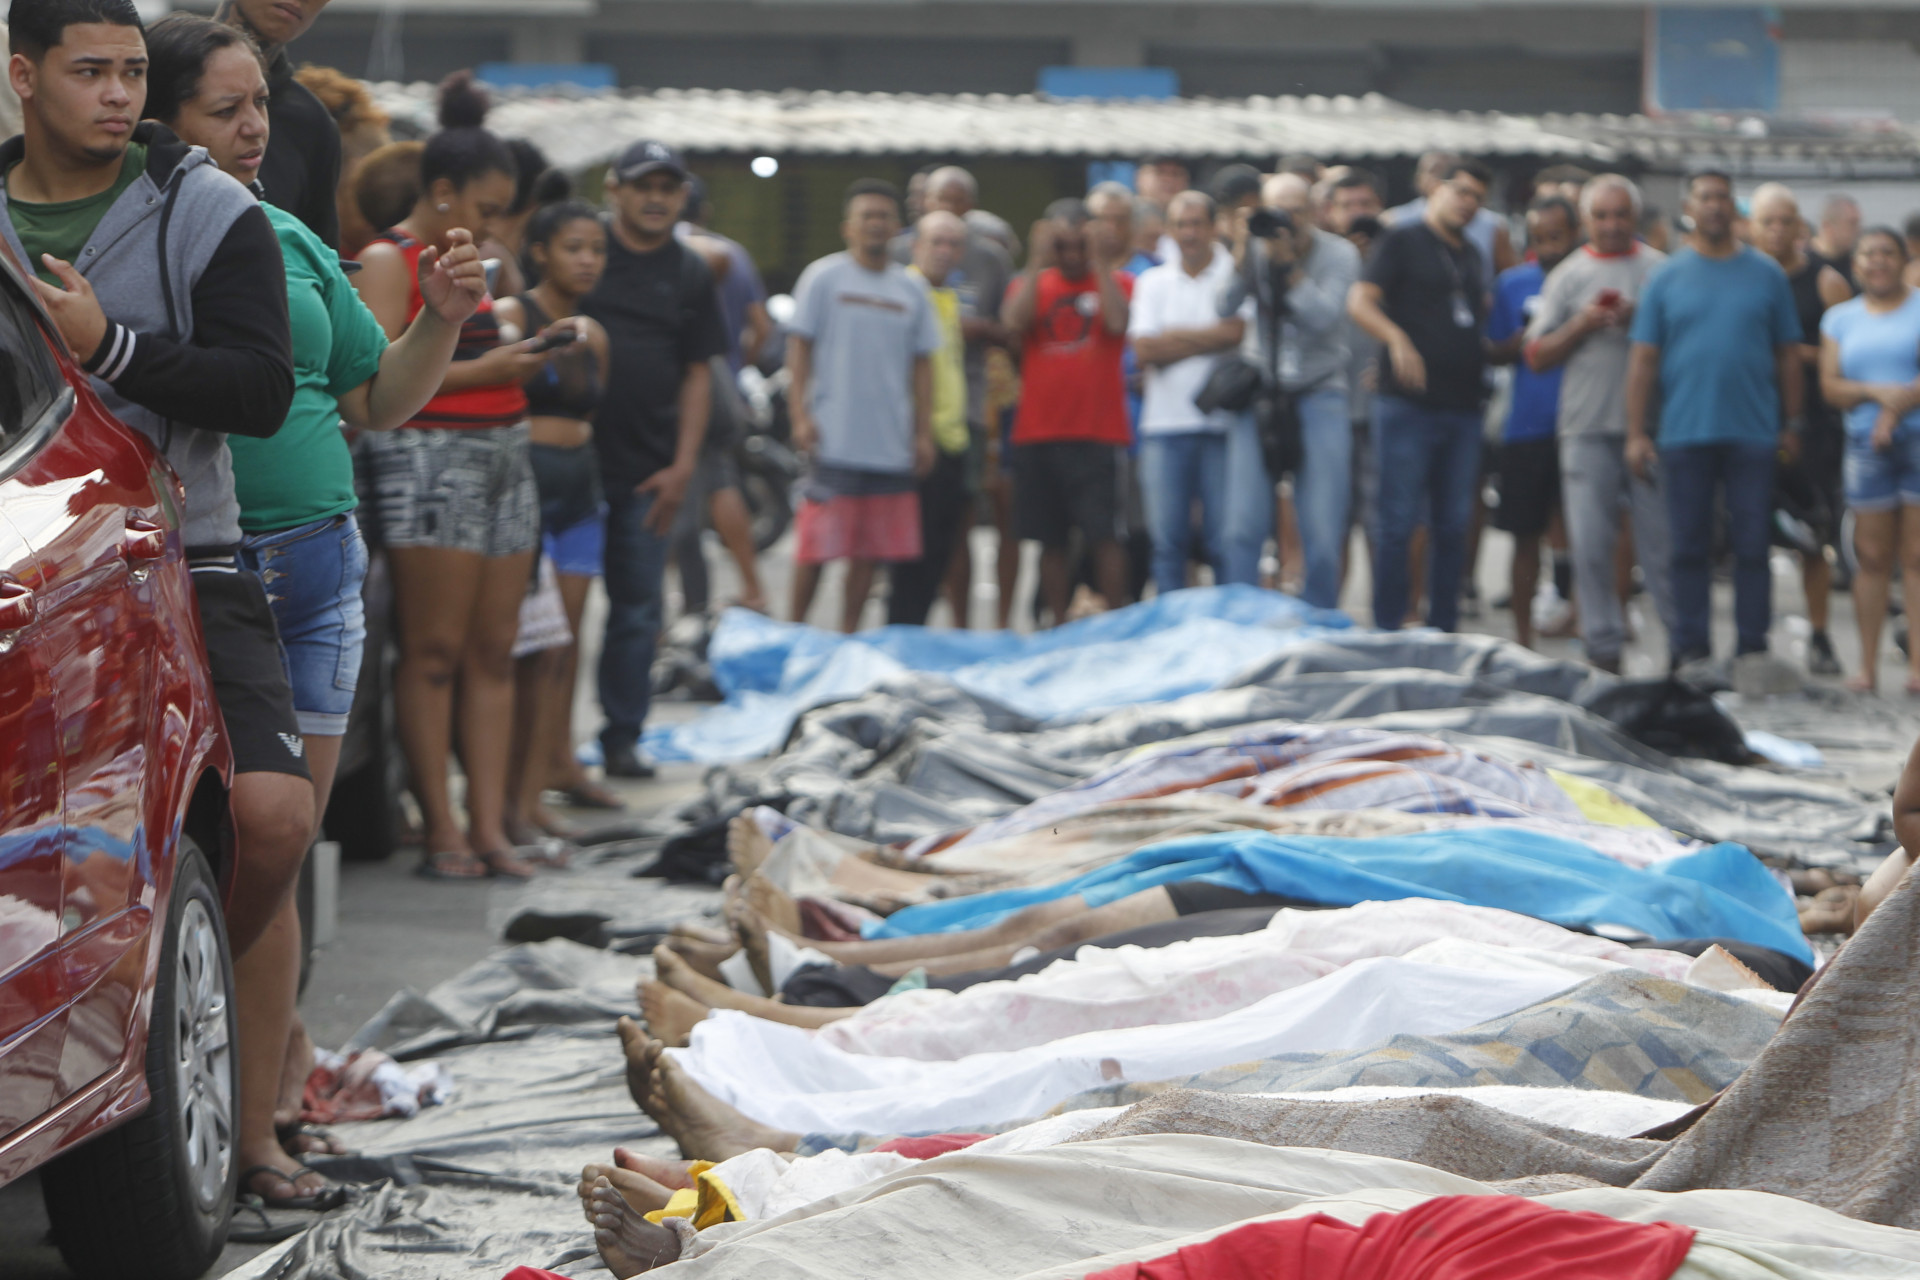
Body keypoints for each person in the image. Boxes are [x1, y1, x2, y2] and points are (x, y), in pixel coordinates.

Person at [141, 9, 485, 1209]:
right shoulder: (131, 237)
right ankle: (181, 1073)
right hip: (190, 565)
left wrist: (439, 315)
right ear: (157, 119)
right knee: (223, 841)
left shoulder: (286, 231)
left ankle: (259, 1126)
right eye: (224, 111)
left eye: (259, 111)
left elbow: (379, 397)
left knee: (279, 852)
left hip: (321, 565)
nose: (255, 132)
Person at [2, 0, 301, 1201]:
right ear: (24, 77)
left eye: (132, 73)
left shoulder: (208, 210)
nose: (119, 96)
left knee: (272, 816)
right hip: (47, 558)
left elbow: (260, 389)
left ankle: (192, 998)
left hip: (184, 546)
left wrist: (109, 344)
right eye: (90, 73)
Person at [354, 101, 548, 878]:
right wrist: (490, 370)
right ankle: (443, 827)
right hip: (427, 457)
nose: (493, 225)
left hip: (505, 450)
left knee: (495, 650)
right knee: (433, 651)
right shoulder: (386, 260)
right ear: (441, 191)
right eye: (483, 207)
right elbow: (372, 386)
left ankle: (490, 824)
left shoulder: (482, 261)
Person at [580, 140, 727, 777]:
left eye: (668, 187)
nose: (656, 198)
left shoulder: (691, 270)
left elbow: (698, 373)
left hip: (649, 471)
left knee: (638, 611)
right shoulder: (584, 252)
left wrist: (682, 466)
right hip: (572, 469)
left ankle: (621, 737)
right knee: (548, 620)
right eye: (644, 185)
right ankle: (543, 752)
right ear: (614, 189)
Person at [1626, 170, 1803, 675]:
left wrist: (1792, 423)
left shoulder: (1766, 274)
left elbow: (1788, 355)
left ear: (1735, 209)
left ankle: (1751, 649)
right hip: (1684, 433)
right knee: (1687, 548)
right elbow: (1642, 360)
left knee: (1751, 546)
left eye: (1724, 198)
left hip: (1754, 432)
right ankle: (1690, 650)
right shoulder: (1666, 276)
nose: (1716, 206)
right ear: (1690, 207)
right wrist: (1637, 432)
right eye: (1706, 197)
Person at [1526, 175, 1676, 675]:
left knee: (1663, 547)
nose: (1612, 225)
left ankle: (1679, 649)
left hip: (1653, 429)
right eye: (1602, 216)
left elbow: (1688, 345)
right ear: (1587, 221)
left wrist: (1644, 324)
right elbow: (1535, 354)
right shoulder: (1567, 276)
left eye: (1621, 215)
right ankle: (1602, 650)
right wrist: (1582, 325)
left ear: (1636, 218)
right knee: (1590, 544)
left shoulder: (1661, 271)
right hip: (1586, 428)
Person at [499, 200, 615, 837]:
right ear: (541, 251)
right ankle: (513, 798)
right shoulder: (514, 315)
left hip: (580, 493)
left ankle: (547, 776)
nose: (588, 260)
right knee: (527, 649)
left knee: (563, 648)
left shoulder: (593, 332)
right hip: (528, 491)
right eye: (575, 247)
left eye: (596, 249)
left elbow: (595, 410)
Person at [786, 179, 939, 631]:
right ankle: (796, 632)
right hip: (833, 437)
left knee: (869, 553)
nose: (875, 225)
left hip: (889, 444)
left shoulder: (912, 291)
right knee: (815, 547)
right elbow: (799, 349)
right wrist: (799, 415)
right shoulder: (823, 278)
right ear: (847, 228)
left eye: (883, 217)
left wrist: (923, 433)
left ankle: (847, 637)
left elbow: (923, 367)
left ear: (897, 227)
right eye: (866, 217)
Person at [1347, 157, 1492, 632]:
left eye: (1477, 198)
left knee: (1453, 523)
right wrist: (1395, 340)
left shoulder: (1471, 253)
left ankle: (1443, 628)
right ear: (1435, 188)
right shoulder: (1402, 239)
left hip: (1463, 405)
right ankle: (1388, 627)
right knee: (1398, 520)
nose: (1468, 204)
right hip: (1407, 404)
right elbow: (1360, 301)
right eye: (1461, 192)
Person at [1222, 173, 1361, 609]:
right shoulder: (1255, 249)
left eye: (1297, 210)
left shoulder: (1340, 253)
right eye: (1278, 210)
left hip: (1321, 391)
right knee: (1241, 527)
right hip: (1263, 390)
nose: (1288, 220)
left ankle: (1318, 619)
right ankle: (1237, 624)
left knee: (1322, 529)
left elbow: (1323, 318)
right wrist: (1244, 254)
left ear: (1315, 212)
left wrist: (1290, 269)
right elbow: (1221, 306)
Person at [889, 165, 1013, 628]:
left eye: (959, 203)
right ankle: (897, 627)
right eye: (940, 201)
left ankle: (956, 628)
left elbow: (1010, 332)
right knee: (903, 534)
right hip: (909, 422)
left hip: (965, 416)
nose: (949, 214)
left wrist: (984, 330)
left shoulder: (989, 261)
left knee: (954, 528)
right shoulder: (903, 273)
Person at [1002, 197, 1134, 623]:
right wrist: (1037, 261)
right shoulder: (1032, 284)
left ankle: (1115, 619)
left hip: (1098, 431)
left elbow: (1116, 324)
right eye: (1064, 246)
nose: (1072, 255)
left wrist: (1099, 261)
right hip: (1038, 431)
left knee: (1104, 535)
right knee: (1049, 539)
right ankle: (1056, 620)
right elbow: (1013, 324)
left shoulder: (1118, 282)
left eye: (1080, 245)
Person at [1751, 183, 1852, 677]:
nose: (1775, 231)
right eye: (1766, 221)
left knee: (1814, 536)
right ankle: (1755, 640)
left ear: (1799, 227)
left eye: (1784, 221)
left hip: (1811, 426)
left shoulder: (1825, 280)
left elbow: (1849, 353)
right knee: (1751, 538)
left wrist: (1793, 353)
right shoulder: (1743, 275)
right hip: (1749, 422)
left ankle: (1819, 634)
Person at [1128, 190, 1246, 597]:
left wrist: (1173, 337)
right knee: (1167, 542)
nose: (1189, 233)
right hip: (1163, 425)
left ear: (1214, 228)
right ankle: (1170, 634)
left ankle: (1229, 628)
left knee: (1222, 540)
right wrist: (1212, 338)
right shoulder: (1153, 281)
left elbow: (1238, 333)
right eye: (1181, 224)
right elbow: (1144, 350)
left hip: (1222, 426)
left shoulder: (1234, 274)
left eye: (1197, 223)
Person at [1820, 228, 1920, 693]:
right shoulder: (1841, 319)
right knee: (1872, 556)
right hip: (1865, 446)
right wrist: (1874, 394)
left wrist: (1896, 408)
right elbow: (1831, 386)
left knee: (1917, 557)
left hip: (1917, 441)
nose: (1878, 261)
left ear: (1904, 259)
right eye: (1869, 254)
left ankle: (1918, 667)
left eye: (1887, 253)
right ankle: (1867, 666)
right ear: (1855, 265)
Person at [670, 181, 770, 615]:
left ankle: (693, 605)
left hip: (685, 388)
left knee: (687, 489)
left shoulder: (667, 251)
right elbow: (762, 327)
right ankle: (752, 588)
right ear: (706, 210)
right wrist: (735, 363)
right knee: (720, 479)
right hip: (722, 383)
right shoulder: (737, 254)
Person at [1486, 195, 1575, 649]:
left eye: (1556, 236)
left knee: (1585, 532)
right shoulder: (1512, 284)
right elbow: (1493, 347)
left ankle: (1581, 620)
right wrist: (1521, 340)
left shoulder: (1586, 281)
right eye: (1539, 239)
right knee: (1525, 537)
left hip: (1580, 423)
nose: (1548, 247)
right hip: (1527, 426)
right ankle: (1522, 640)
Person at [888, 210, 970, 625]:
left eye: (953, 243)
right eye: (936, 242)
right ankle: (900, 635)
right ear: (915, 245)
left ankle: (912, 634)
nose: (944, 251)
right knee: (910, 556)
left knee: (939, 549)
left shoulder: (950, 297)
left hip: (952, 440)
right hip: (918, 441)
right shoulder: (904, 292)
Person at [214, 0, 337, 245]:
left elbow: (319, 266)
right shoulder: (148, 76)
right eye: (225, 110)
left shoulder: (311, 124)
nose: (256, 127)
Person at [1385, 149, 1516, 292]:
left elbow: (1510, 282)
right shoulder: (1395, 224)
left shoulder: (1479, 244)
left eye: (1477, 197)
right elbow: (1366, 297)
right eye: (1434, 171)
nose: (1469, 202)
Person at [1810, 194, 1861, 292]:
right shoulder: (1804, 265)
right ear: (1828, 226)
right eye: (1852, 223)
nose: (1858, 230)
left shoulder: (1857, 265)